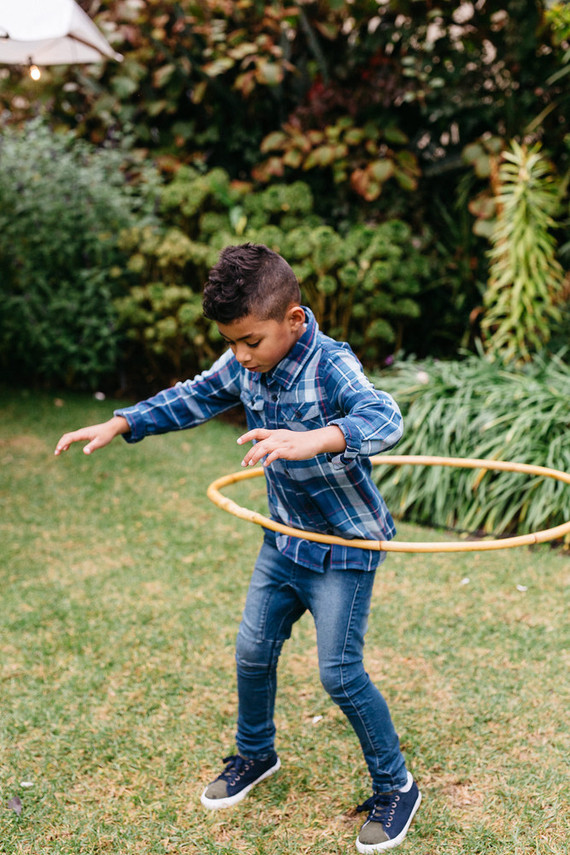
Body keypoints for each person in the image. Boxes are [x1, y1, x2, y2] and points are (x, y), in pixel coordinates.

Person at [55, 243, 421, 852]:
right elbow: (194, 396)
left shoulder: (331, 364)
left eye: (250, 341)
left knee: (339, 674)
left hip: (345, 546)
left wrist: (319, 438)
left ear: (294, 319)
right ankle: (256, 754)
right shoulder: (244, 363)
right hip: (284, 538)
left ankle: (396, 785)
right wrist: (121, 422)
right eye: (232, 343)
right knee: (252, 651)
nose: (241, 356)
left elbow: (385, 417)